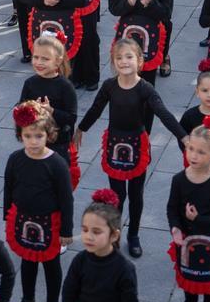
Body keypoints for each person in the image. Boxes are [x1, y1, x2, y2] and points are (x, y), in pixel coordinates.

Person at [76, 38, 187, 258]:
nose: (124, 61)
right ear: (113, 62)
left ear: (140, 60)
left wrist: (182, 136)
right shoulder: (109, 86)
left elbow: (163, 113)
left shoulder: (145, 88)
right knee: (117, 195)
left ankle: (133, 234)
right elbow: (96, 109)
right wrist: (81, 128)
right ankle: (114, 233)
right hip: (114, 144)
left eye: (129, 57)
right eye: (119, 58)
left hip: (137, 146)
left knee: (136, 194)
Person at [3, 100, 73, 302]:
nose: (33, 141)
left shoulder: (57, 163)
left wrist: (66, 230)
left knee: (51, 265)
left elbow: (66, 198)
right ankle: (27, 299)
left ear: (49, 135)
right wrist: (7, 214)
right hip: (24, 220)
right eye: (28, 136)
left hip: (49, 223)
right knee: (27, 262)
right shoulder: (15, 159)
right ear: (20, 135)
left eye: (39, 136)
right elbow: (9, 186)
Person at [167, 116, 210, 302]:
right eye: (191, 149)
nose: (193, 155)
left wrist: (198, 218)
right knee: (190, 298)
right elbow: (172, 208)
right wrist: (175, 228)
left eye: (201, 152)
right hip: (187, 243)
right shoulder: (179, 179)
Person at [60, 189, 139, 302]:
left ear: (114, 235)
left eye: (96, 232)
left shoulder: (124, 268)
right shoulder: (80, 260)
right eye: (85, 230)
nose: (89, 236)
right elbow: (69, 292)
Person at [19, 35, 80, 189]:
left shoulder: (65, 86)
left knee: (56, 182)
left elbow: (71, 118)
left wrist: (51, 111)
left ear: (58, 61)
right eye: (36, 57)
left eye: (45, 59)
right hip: (35, 140)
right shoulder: (30, 83)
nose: (39, 62)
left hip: (59, 143)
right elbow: (20, 108)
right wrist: (30, 108)